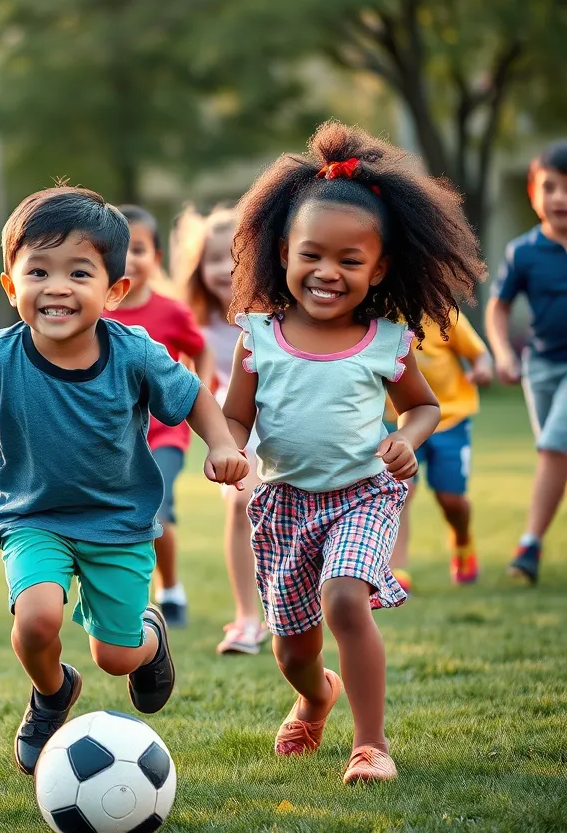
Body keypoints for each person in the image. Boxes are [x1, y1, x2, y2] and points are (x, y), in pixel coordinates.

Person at [0, 185, 248, 775]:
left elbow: (191, 396)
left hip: (119, 522)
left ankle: (148, 638)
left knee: (115, 657)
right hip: (34, 518)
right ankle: (51, 692)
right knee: (35, 618)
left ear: (114, 291)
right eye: (38, 270)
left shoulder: (134, 352)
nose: (57, 286)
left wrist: (221, 443)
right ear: (12, 285)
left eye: (79, 272)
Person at [223, 121, 483, 784]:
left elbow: (424, 407)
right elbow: (233, 416)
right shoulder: (261, 338)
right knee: (293, 648)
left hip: (363, 495)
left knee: (345, 600)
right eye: (313, 255)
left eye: (349, 260)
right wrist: (228, 453)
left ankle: (371, 746)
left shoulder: (386, 342)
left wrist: (406, 437)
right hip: (283, 503)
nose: (328, 273)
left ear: (380, 267)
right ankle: (315, 695)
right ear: (283, 252)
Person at [105, 204, 215, 627]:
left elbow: (200, 347)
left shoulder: (171, 312)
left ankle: (170, 590)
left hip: (164, 431)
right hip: (112, 435)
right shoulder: (95, 312)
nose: (129, 259)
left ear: (156, 258)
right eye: (119, 250)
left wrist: (199, 391)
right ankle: (125, 598)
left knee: (158, 511)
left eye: (139, 249)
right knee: (122, 514)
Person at [174, 206, 268, 655]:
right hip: (234, 427)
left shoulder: (278, 314)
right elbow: (193, 386)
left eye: (236, 260)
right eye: (213, 259)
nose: (224, 271)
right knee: (241, 504)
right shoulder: (197, 325)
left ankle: (289, 610)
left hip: (289, 420)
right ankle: (247, 617)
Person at [486, 140, 567, 585]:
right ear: (534, 192)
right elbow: (498, 306)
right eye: (550, 187)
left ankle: (529, 546)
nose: (560, 198)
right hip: (540, 367)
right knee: (557, 453)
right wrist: (502, 352)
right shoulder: (524, 251)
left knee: (556, 445)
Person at [386, 315, 493, 592]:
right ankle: (397, 569)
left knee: (452, 500)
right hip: (397, 421)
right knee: (400, 491)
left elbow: (479, 354)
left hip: (450, 421)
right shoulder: (377, 313)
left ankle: (461, 539)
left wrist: (482, 369)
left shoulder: (444, 315)